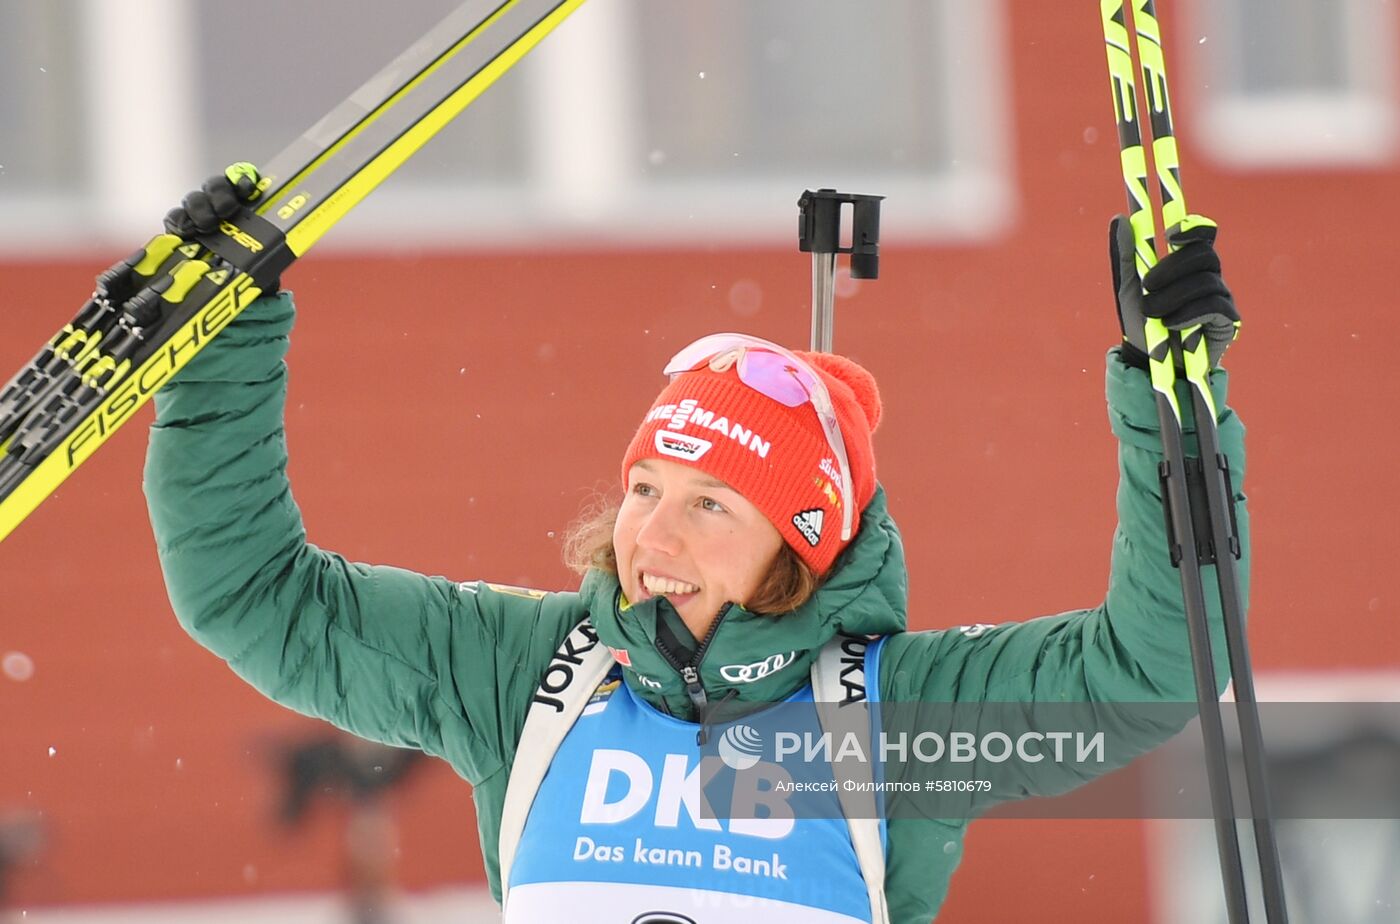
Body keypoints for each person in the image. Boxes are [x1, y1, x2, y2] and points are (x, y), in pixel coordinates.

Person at [146, 169, 1247, 923]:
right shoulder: (529, 674)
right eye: (643, 487)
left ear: (797, 549)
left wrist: (1172, 407)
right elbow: (251, 593)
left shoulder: (889, 722)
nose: (650, 534)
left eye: (711, 503)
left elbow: (1146, 669)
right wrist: (225, 338)